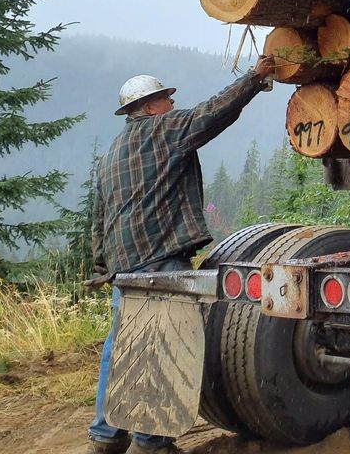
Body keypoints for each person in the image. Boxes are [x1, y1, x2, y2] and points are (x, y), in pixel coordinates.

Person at [87, 57, 274, 454]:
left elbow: (98, 216)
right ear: (152, 106)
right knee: (161, 343)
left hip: (124, 266)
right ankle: (151, 441)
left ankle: (106, 435)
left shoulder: (111, 154)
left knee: (121, 344)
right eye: (167, 100)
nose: (173, 105)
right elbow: (213, 113)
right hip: (161, 258)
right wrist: (255, 79)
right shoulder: (166, 129)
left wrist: (105, 266)